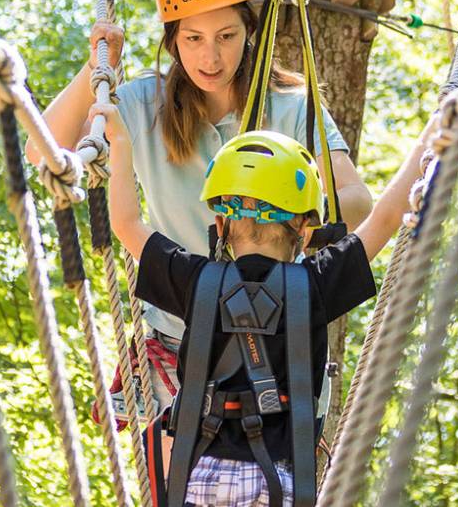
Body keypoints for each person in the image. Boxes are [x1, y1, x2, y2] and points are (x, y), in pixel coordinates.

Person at [26, 0, 389, 410]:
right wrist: (99, 66)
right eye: (193, 39)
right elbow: (43, 150)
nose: (210, 58)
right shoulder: (143, 105)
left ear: (248, 29)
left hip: (276, 340)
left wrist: (286, 211)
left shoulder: (293, 107)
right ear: (172, 40)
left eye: (226, 36)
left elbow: (356, 201)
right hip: (175, 344)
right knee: (174, 487)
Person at [92, 105, 434, 507]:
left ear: (219, 225)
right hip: (275, 486)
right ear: (305, 230)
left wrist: (119, 143)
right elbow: (386, 215)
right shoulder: (316, 284)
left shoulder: (193, 280)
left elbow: (126, 223)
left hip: (196, 481)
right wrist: (433, 133)